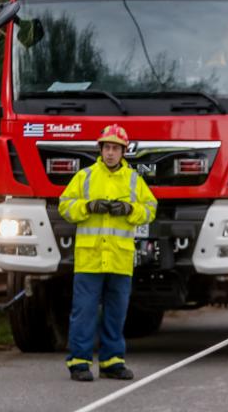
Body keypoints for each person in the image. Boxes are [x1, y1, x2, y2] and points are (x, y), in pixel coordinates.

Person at [59, 124, 157, 382]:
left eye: (115, 148)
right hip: (90, 259)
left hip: (119, 260)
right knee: (84, 312)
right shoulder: (85, 177)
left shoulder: (134, 180)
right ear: (100, 149)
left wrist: (128, 210)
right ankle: (79, 362)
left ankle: (112, 362)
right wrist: (88, 206)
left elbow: (150, 209)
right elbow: (65, 206)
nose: (111, 153)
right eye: (107, 147)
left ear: (124, 151)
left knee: (116, 313)